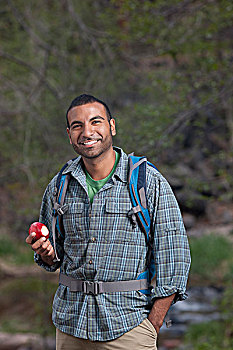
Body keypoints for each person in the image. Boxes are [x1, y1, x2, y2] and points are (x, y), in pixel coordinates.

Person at [26, 94, 191, 350]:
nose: (87, 131)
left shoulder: (149, 183)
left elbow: (175, 259)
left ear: (111, 126)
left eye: (96, 122)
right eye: (78, 126)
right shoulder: (59, 186)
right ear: (69, 133)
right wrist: (45, 253)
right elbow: (54, 259)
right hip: (71, 327)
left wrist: (152, 326)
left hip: (129, 328)